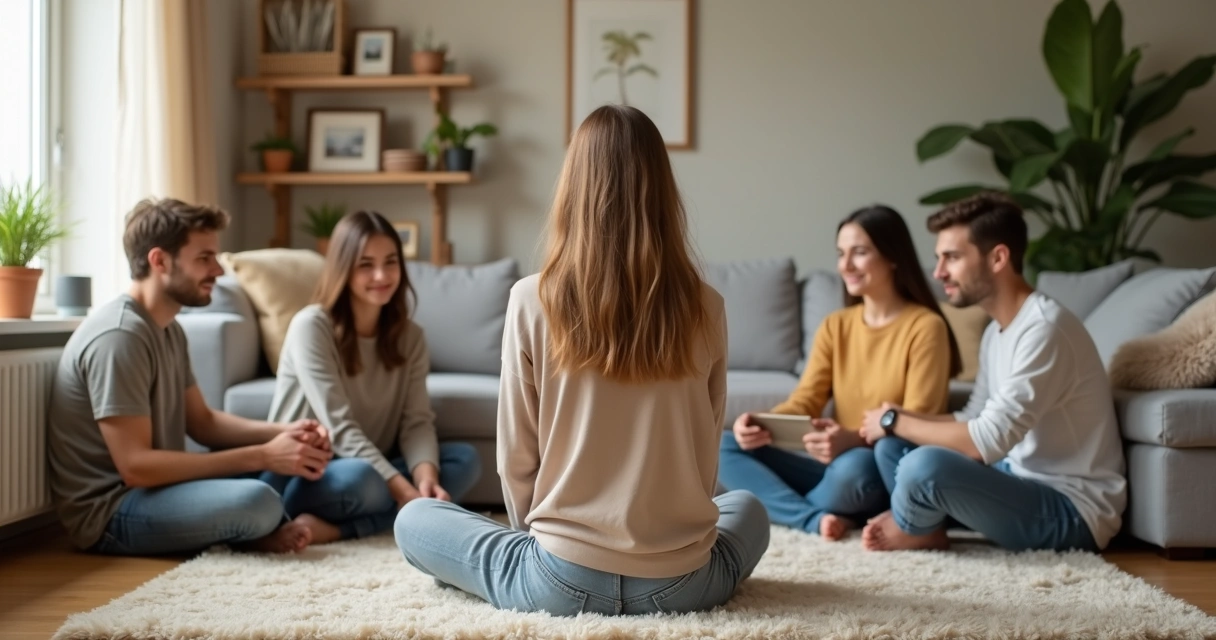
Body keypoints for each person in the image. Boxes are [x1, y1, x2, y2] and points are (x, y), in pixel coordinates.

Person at [392, 104, 770, 616]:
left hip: (558, 579)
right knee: (747, 509)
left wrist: (538, 539)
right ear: (663, 190)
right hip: (683, 583)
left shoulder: (530, 298)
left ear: (574, 185)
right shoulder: (707, 305)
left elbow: (514, 458)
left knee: (414, 520)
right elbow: (705, 454)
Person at [47, 197, 336, 556]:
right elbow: (135, 467)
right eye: (204, 258)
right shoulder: (119, 337)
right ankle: (258, 525)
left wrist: (283, 433)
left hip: (161, 490)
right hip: (113, 511)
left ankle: (259, 525)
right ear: (159, 260)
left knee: (331, 475)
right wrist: (263, 456)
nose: (218, 270)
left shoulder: (168, 329)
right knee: (259, 500)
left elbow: (203, 423)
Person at [858, 193, 1127, 553]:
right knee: (893, 447)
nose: (938, 273)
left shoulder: (1044, 329)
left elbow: (984, 441)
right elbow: (973, 416)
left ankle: (917, 525)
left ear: (998, 257)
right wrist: (901, 420)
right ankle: (924, 526)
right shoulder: (996, 330)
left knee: (921, 464)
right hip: (1013, 478)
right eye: (939, 259)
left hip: (1072, 510)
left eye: (951, 258)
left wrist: (893, 419)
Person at [719, 205, 961, 540]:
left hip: (874, 465)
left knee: (855, 470)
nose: (845, 266)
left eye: (859, 253)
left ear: (893, 257)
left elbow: (920, 420)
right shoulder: (837, 325)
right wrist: (762, 423)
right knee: (724, 446)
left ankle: (798, 510)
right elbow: (807, 399)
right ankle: (815, 518)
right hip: (830, 465)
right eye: (841, 253)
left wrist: (851, 439)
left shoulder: (925, 327)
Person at [266, 210, 481, 544]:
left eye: (390, 262)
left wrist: (425, 479)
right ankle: (398, 512)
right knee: (361, 479)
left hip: (375, 466)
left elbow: (417, 422)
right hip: (315, 472)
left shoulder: (410, 336)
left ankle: (338, 530)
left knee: (464, 460)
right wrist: (403, 490)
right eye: (365, 264)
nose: (381, 275)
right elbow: (339, 428)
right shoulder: (312, 326)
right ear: (343, 268)